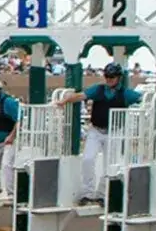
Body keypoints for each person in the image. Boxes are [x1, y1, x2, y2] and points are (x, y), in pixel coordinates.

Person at [56, 60, 140, 204]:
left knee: (110, 164)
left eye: (111, 77)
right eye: (107, 76)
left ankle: (102, 194)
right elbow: (80, 96)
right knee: (88, 159)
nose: (108, 79)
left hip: (114, 132)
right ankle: (87, 192)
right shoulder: (99, 90)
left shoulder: (125, 94)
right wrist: (65, 101)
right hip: (96, 130)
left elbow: (141, 98)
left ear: (118, 78)